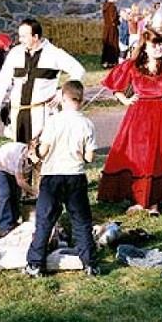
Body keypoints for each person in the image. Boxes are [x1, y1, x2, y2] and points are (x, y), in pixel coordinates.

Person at [97, 29, 162, 216]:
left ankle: (154, 202)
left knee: (160, 157)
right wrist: (124, 99)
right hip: (138, 118)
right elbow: (113, 81)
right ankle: (140, 200)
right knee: (140, 157)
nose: (158, 48)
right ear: (144, 48)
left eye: (160, 44)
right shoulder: (134, 65)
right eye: (154, 45)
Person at [23, 80, 99, 277]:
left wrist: (35, 154)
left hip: (52, 177)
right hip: (76, 175)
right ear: (82, 100)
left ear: (63, 98)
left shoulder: (54, 121)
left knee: (45, 221)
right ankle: (90, 262)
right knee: (81, 221)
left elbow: (44, 149)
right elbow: (90, 157)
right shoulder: (87, 124)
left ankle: (35, 263)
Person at [0, 18, 85, 143]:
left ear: (35, 36)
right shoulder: (15, 53)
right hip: (18, 113)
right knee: (19, 154)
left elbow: (78, 70)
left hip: (41, 114)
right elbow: (3, 80)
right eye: (19, 36)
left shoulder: (53, 53)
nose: (20, 40)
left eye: (24, 36)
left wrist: (61, 94)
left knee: (41, 153)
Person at [0, 140, 40, 238]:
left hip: (13, 169)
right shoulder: (20, 158)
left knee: (16, 195)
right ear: (30, 152)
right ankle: (4, 227)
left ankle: (13, 222)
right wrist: (34, 192)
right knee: (5, 194)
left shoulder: (35, 156)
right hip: (2, 166)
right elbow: (20, 182)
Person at [101, 0, 120, 68]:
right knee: (112, 44)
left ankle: (105, 62)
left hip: (106, 28)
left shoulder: (105, 5)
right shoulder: (112, 6)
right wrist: (119, 18)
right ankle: (111, 62)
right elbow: (113, 19)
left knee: (107, 45)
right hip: (112, 28)